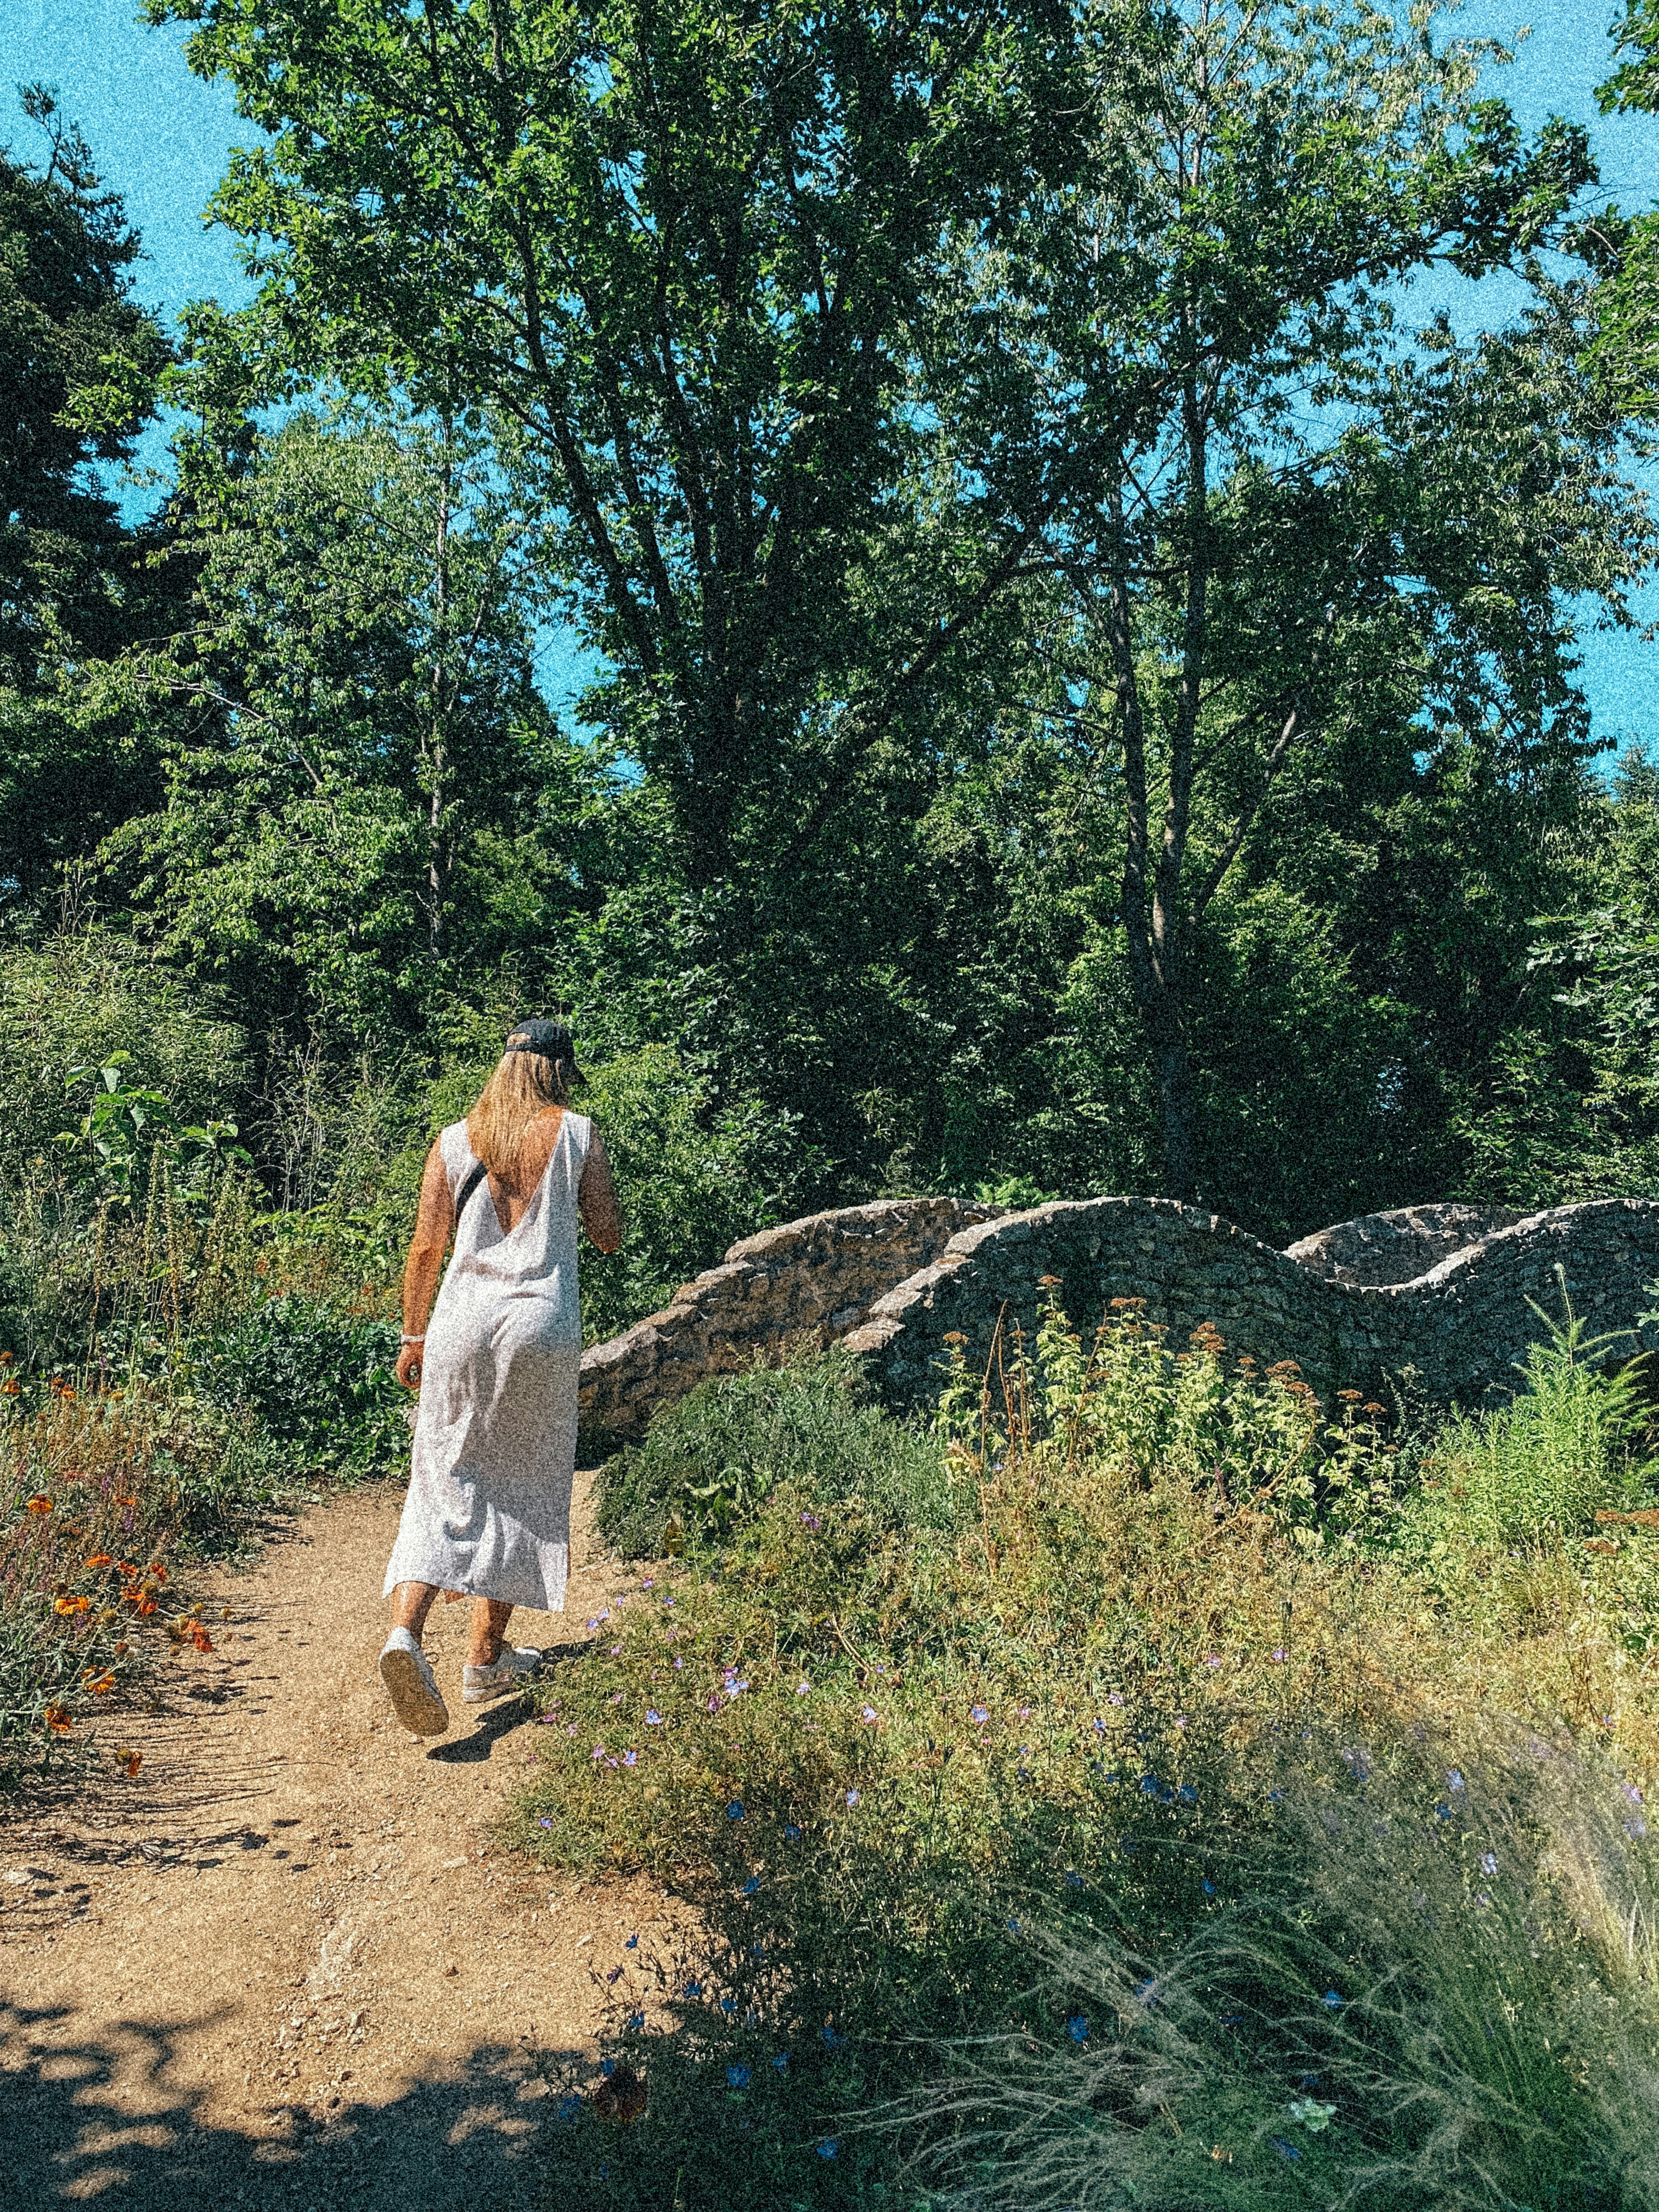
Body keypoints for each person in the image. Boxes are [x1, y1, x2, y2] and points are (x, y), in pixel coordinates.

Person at [377, 1018, 622, 1736]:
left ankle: (406, 1636)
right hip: (538, 1332)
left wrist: (412, 1335)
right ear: (559, 1073)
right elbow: (606, 1234)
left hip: (456, 1329)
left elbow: (427, 1248)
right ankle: (485, 1657)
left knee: (444, 1478)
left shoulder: (455, 1143)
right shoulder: (578, 1135)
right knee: (521, 1484)